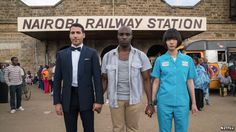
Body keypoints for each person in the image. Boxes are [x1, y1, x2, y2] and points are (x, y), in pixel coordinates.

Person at [101, 26, 154, 132]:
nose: (124, 37)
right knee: (117, 129)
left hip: (134, 100)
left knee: (133, 129)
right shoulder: (108, 56)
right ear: (117, 36)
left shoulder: (140, 56)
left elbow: (147, 80)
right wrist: (98, 99)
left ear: (131, 37)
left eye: (127, 34)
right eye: (121, 34)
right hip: (115, 100)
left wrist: (150, 103)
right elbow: (104, 80)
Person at [53, 23, 103, 132]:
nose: (75, 36)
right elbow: (57, 80)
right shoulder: (61, 55)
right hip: (68, 98)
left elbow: (97, 78)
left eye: (78, 33)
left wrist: (99, 100)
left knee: (89, 129)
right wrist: (57, 102)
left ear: (83, 35)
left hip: (87, 97)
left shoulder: (92, 53)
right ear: (69, 35)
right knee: (70, 129)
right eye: (72, 33)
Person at [151, 28, 198, 132]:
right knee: (164, 130)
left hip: (182, 103)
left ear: (178, 41)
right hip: (163, 102)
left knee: (182, 130)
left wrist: (194, 103)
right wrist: (151, 102)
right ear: (165, 42)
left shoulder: (188, 60)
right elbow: (156, 81)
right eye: (168, 40)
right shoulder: (160, 60)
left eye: (174, 39)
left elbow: (190, 82)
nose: (171, 42)